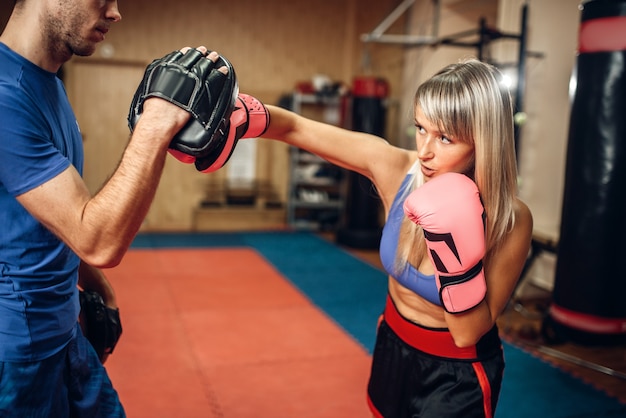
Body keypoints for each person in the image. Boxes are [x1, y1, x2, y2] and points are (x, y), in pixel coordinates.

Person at [242, 59, 533, 417]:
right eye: (421, 128)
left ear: (483, 141)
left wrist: (452, 244)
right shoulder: (397, 168)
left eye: (445, 138)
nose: (425, 151)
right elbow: (295, 128)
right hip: (394, 346)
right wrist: (240, 115)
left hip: (456, 374)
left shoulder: (511, 220)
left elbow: (467, 334)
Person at [0, 1, 227, 416]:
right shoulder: (4, 96)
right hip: (17, 357)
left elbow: (55, 218)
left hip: (65, 336)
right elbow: (97, 239)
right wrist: (157, 123)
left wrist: (99, 288)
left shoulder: (45, 83)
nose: (115, 11)